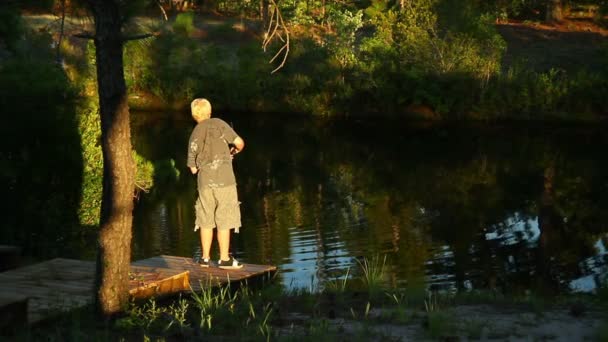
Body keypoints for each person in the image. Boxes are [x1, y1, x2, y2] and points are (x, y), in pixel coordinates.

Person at [187, 98, 245, 269]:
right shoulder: (219, 123)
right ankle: (225, 259)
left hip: (204, 183)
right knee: (225, 219)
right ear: (210, 111)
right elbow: (240, 143)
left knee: (205, 219)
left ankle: (205, 258)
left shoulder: (194, 134)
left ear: (194, 115)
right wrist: (233, 151)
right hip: (225, 182)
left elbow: (192, 169)